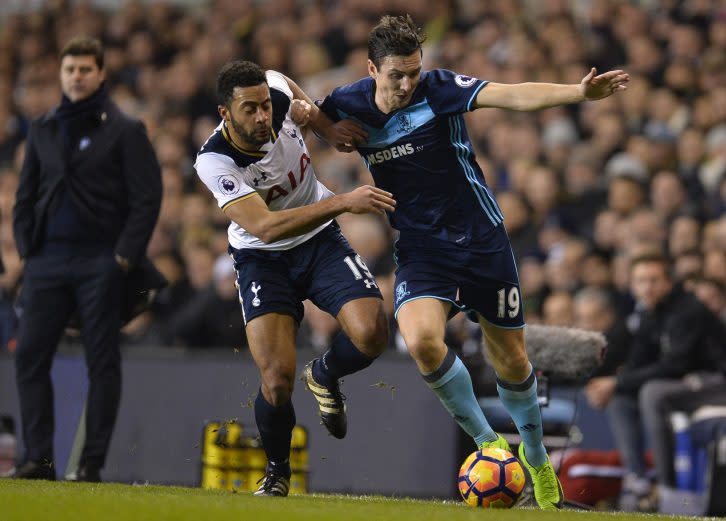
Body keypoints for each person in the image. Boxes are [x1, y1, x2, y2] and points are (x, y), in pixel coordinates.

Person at [317, 14, 629, 509]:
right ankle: (490, 445)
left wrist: (577, 93)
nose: (406, 83)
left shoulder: (438, 89)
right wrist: (325, 126)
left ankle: (536, 460)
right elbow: (295, 106)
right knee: (420, 340)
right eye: (396, 74)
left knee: (511, 358)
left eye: (413, 72)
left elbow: (512, 92)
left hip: (483, 242)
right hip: (422, 248)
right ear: (371, 68)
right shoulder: (345, 101)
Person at [193, 61, 395, 496]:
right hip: (262, 257)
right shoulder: (215, 160)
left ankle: (324, 374)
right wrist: (342, 202)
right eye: (250, 110)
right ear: (225, 112)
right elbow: (265, 227)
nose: (263, 116)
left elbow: (283, 82)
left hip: (319, 243)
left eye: (265, 106)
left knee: (372, 331)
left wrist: (323, 124)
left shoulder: (276, 95)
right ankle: (278, 471)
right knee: (277, 379)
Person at [6, 37, 162, 482]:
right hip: (46, 261)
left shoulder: (126, 129)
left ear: (101, 74)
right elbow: (26, 194)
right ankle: (39, 460)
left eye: (85, 69)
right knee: (29, 356)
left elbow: (147, 197)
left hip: (101, 261)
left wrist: (123, 259)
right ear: (61, 75)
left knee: (102, 360)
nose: (76, 76)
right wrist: (26, 249)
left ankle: (90, 463)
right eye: (69, 69)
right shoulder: (42, 128)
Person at [584, 252, 726, 511]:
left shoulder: (688, 309)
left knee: (652, 392)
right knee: (622, 397)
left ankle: (667, 486)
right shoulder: (650, 313)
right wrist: (613, 383)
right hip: (691, 384)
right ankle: (638, 481)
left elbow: (676, 364)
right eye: (641, 281)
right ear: (633, 285)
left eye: (653, 280)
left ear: (669, 282)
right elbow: (638, 361)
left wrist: (617, 382)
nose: (647, 287)